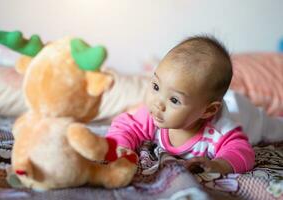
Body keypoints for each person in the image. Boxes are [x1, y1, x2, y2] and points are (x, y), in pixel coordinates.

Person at [106, 35, 257, 174]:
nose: (158, 103)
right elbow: (124, 126)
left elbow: (243, 151)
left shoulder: (219, 131)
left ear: (208, 110)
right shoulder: (153, 116)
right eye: (156, 87)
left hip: (247, 115)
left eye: (174, 100)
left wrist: (220, 165)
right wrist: (122, 148)